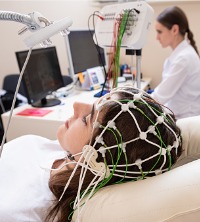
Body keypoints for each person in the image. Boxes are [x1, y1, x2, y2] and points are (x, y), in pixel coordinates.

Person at [0, 86, 182, 222]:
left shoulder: (16, 210)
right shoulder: (63, 151)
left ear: (95, 158)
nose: (76, 105)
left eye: (87, 119)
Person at [151, 6, 200, 119]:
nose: (157, 37)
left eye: (159, 32)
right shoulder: (182, 54)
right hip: (178, 116)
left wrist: (131, 100)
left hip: (185, 121)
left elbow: (159, 98)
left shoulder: (184, 58)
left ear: (174, 30)